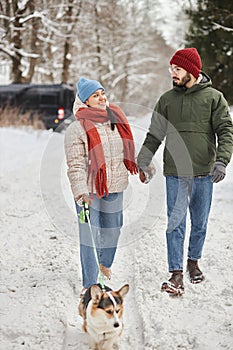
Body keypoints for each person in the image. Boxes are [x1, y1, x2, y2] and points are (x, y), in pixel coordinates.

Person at [137, 48, 233, 295]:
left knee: (199, 223)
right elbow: (155, 133)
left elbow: (225, 131)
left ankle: (193, 262)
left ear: (192, 70)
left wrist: (221, 161)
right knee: (175, 223)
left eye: (177, 69)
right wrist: (144, 159)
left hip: (204, 171)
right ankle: (176, 272)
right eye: (171, 69)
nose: (173, 73)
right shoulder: (167, 99)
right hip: (176, 172)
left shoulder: (214, 98)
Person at [64, 77, 138, 296]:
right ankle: (90, 284)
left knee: (113, 230)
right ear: (85, 101)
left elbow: (126, 150)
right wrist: (80, 192)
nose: (102, 98)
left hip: (115, 186)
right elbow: (75, 164)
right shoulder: (76, 129)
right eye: (95, 95)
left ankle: (104, 263)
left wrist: (142, 167)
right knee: (90, 235)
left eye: (102, 93)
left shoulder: (115, 118)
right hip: (89, 192)